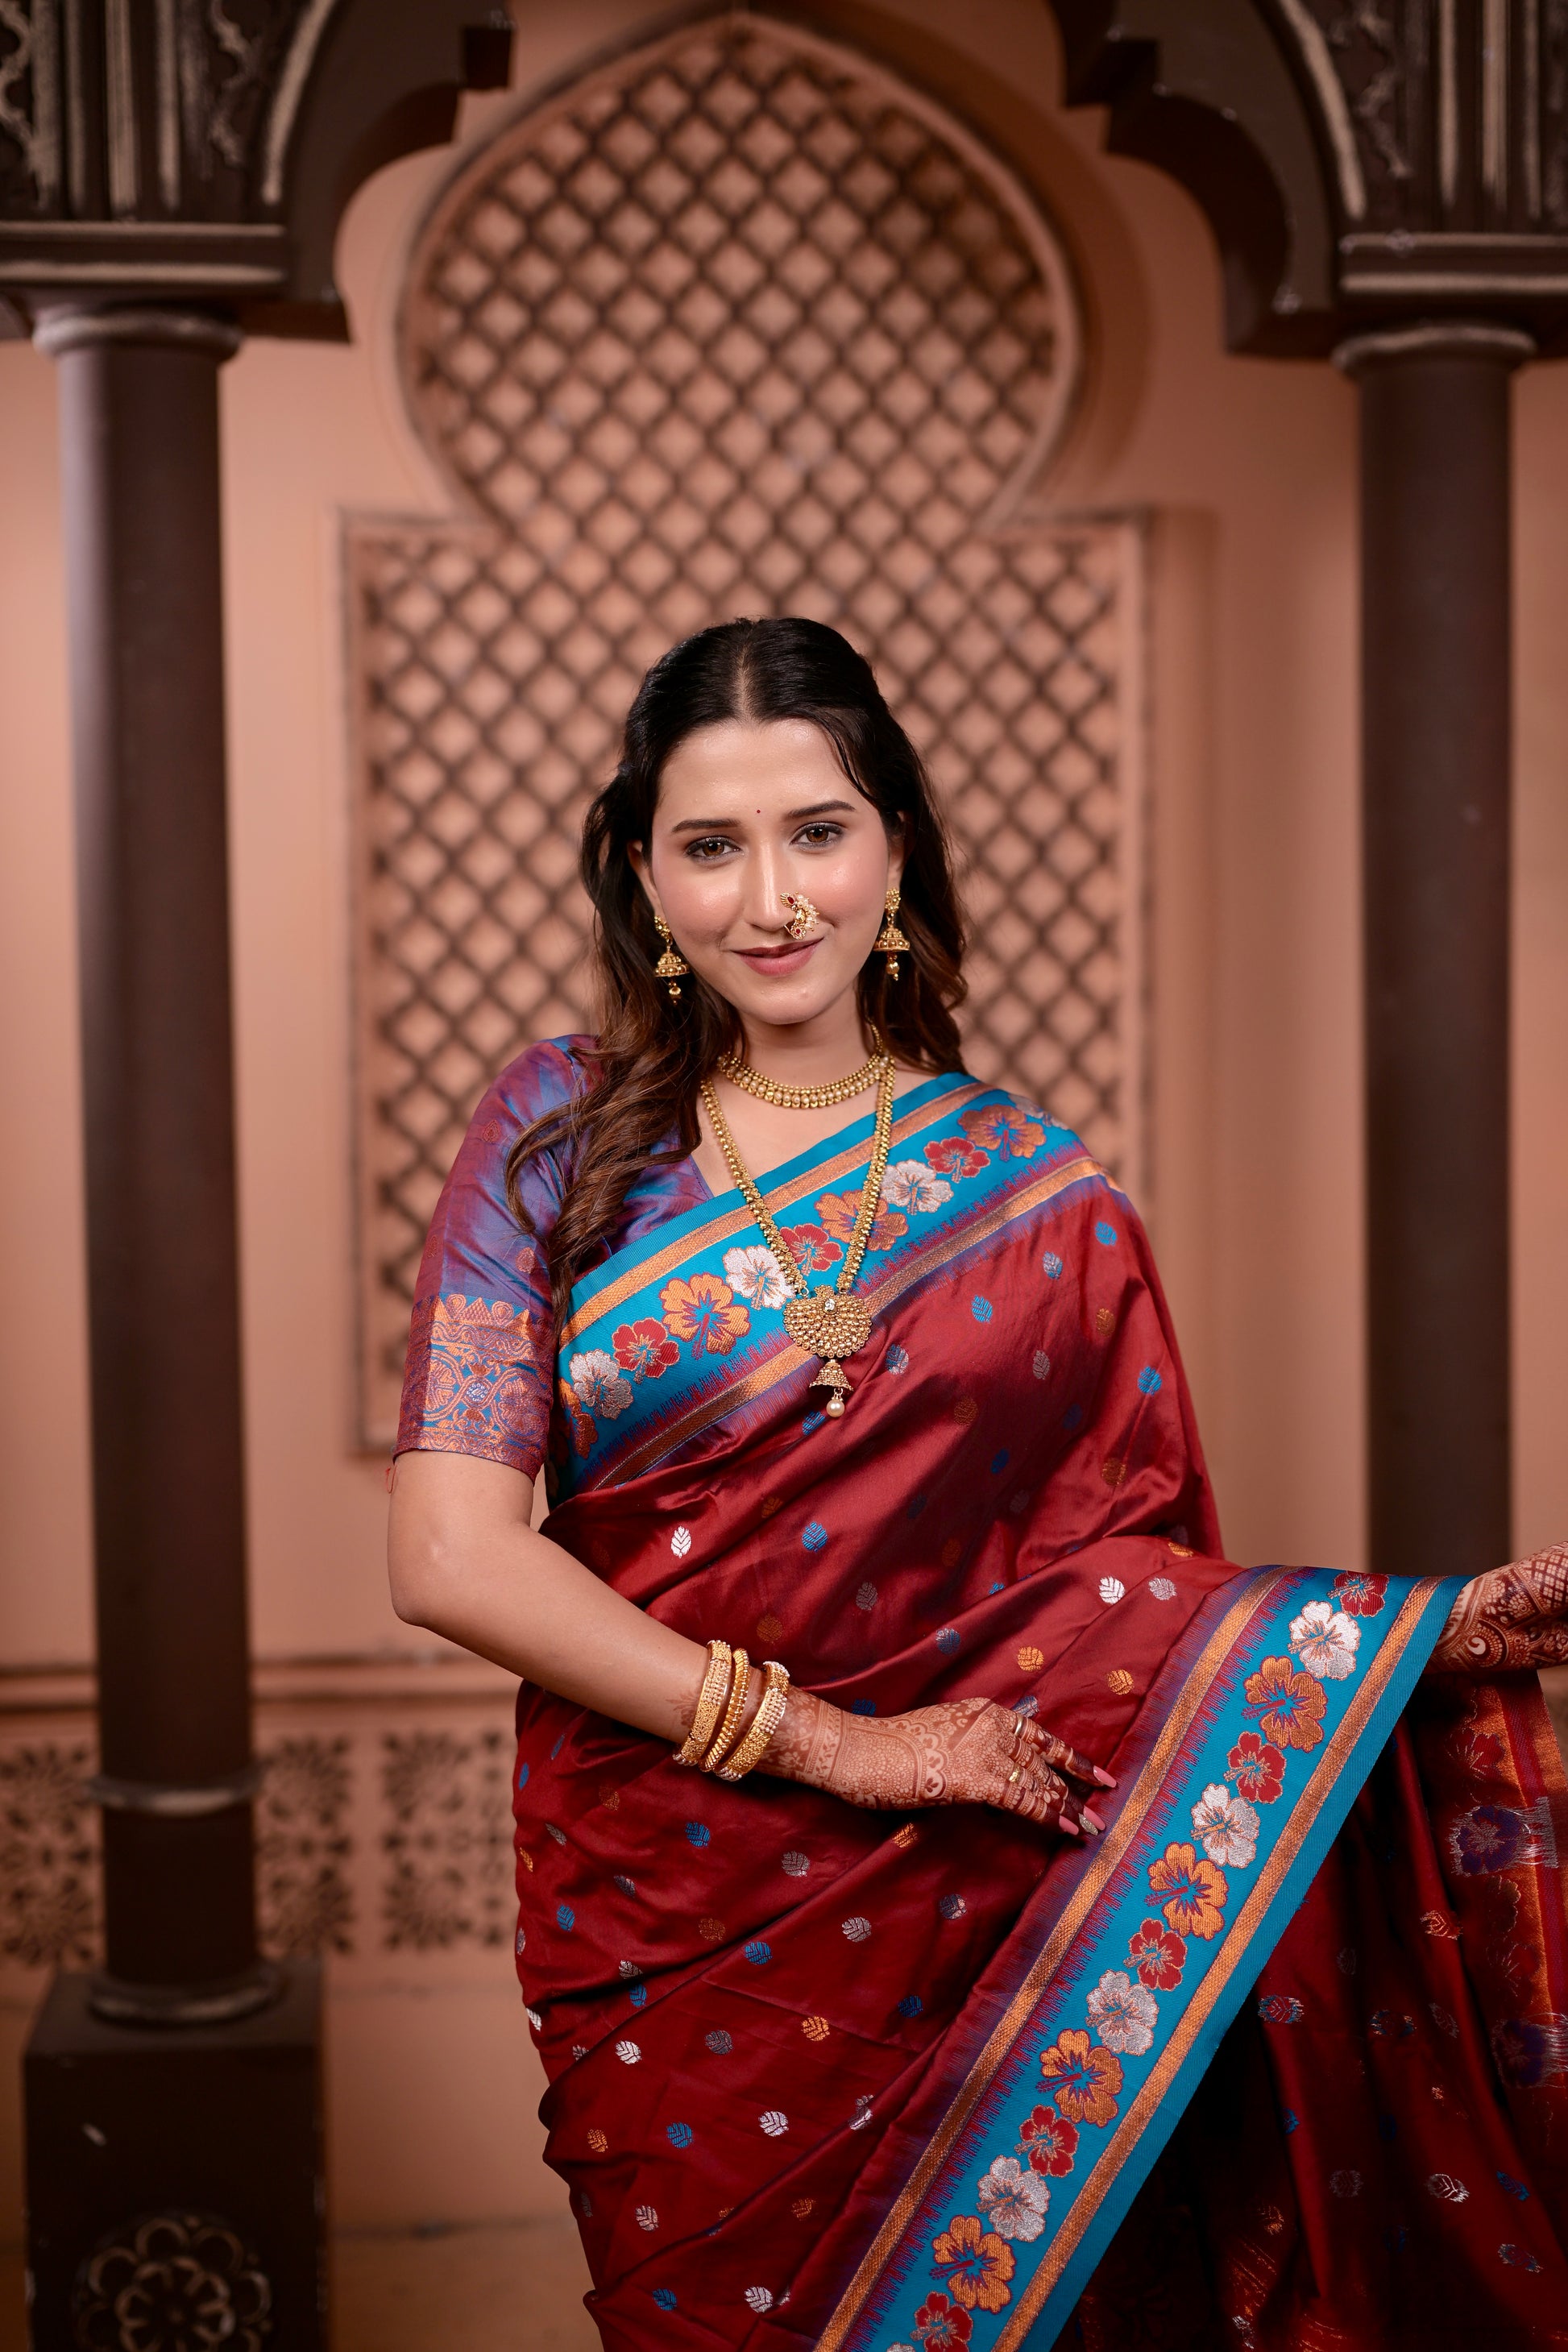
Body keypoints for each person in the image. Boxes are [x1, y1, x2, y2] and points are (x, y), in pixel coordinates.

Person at [388, 617, 1568, 2351]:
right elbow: (447, 1555)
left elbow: (1123, 1591)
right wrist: (838, 1744)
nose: (770, 899)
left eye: (817, 831)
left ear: (895, 847)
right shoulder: (554, 1140)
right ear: (642, 875)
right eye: (710, 845)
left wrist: (1398, 1643)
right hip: (668, 1894)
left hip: (977, 1892)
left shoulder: (1035, 1190)